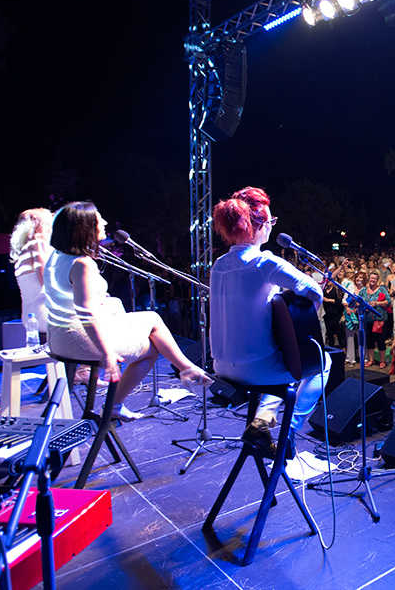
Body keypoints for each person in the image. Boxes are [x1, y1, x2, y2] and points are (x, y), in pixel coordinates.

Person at [46, 201, 211, 421]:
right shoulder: (82, 263)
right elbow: (86, 314)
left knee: (149, 331)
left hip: (57, 338)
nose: (105, 222)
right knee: (152, 335)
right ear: (84, 227)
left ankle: (186, 369)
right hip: (78, 338)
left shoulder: (56, 257)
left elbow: (64, 296)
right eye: (99, 219)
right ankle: (185, 370)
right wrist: (107, 354)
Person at [209, 187, 329, 449]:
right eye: (271, 221)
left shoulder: (218, 265)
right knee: (322, 362)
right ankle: (288, 431)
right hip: (256, 368)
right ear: (261, 225)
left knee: (279, 362)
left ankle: (262, 421)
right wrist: (297, 321)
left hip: (220, 366)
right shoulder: (264, 262)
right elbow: (314, 291)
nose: (272, 226)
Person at [10, 207, 53, 334]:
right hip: (45, 311)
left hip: (29, 316)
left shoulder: (23, 251)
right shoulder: (38, 244)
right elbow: (47, 281)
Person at [360, 271, 392, 369]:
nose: (373, 280)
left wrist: (377, 303)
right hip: (367, 319)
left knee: (380, 340)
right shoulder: (363, 290)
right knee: (369, 340)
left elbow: (388, 301)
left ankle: (382, 361)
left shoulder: (382, 289)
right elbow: (359, 301)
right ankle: (371, 359)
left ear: (377, 280)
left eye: (375, 278)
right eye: (371, 278)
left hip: (379, 319)